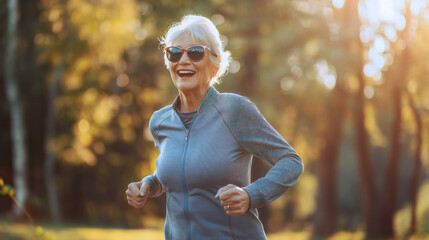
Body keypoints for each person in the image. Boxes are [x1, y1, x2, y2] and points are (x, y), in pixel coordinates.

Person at [126, 14, 304, 240]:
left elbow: (291, 161)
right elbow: (178, 174)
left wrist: (250, 195)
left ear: (216, 63)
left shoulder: (234, 109)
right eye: (174, 53)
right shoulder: (160, 122)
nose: (183, 60)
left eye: (195, 52)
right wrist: (148, 185)